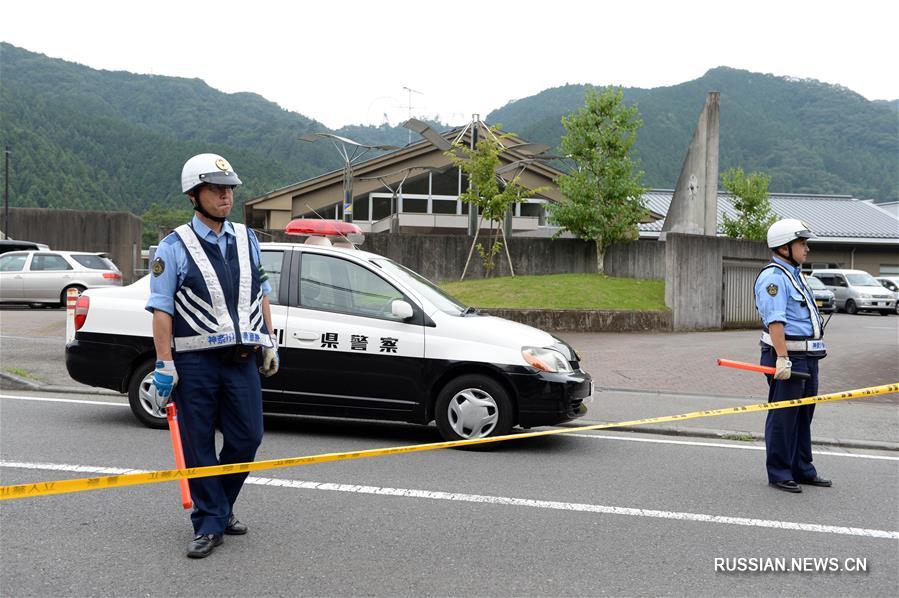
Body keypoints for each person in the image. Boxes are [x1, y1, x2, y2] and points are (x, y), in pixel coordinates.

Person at [146, 153, 280, 558]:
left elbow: (262, 294)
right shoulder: (172, 247)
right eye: (216, 189)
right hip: (195, 363)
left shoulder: (248, 238)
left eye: (229, 189)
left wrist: (270, 340)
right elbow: (161, 308)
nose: (226, 196)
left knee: (248, 437)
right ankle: (209, 523)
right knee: (198, 445)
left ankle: (218, 507)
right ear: (194, 195)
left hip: (242, 360)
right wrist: (164, 364)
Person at [753, 218, 831, 494]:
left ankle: (802, 468)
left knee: (802, 416)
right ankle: (779, 471)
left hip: (808, 357)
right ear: (784, 247)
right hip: (787, 357)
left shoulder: (795, 275)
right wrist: (782, 359)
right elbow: (776, 323)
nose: (807, 248)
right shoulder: (774, 278)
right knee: (784, 417)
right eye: (802, 243)